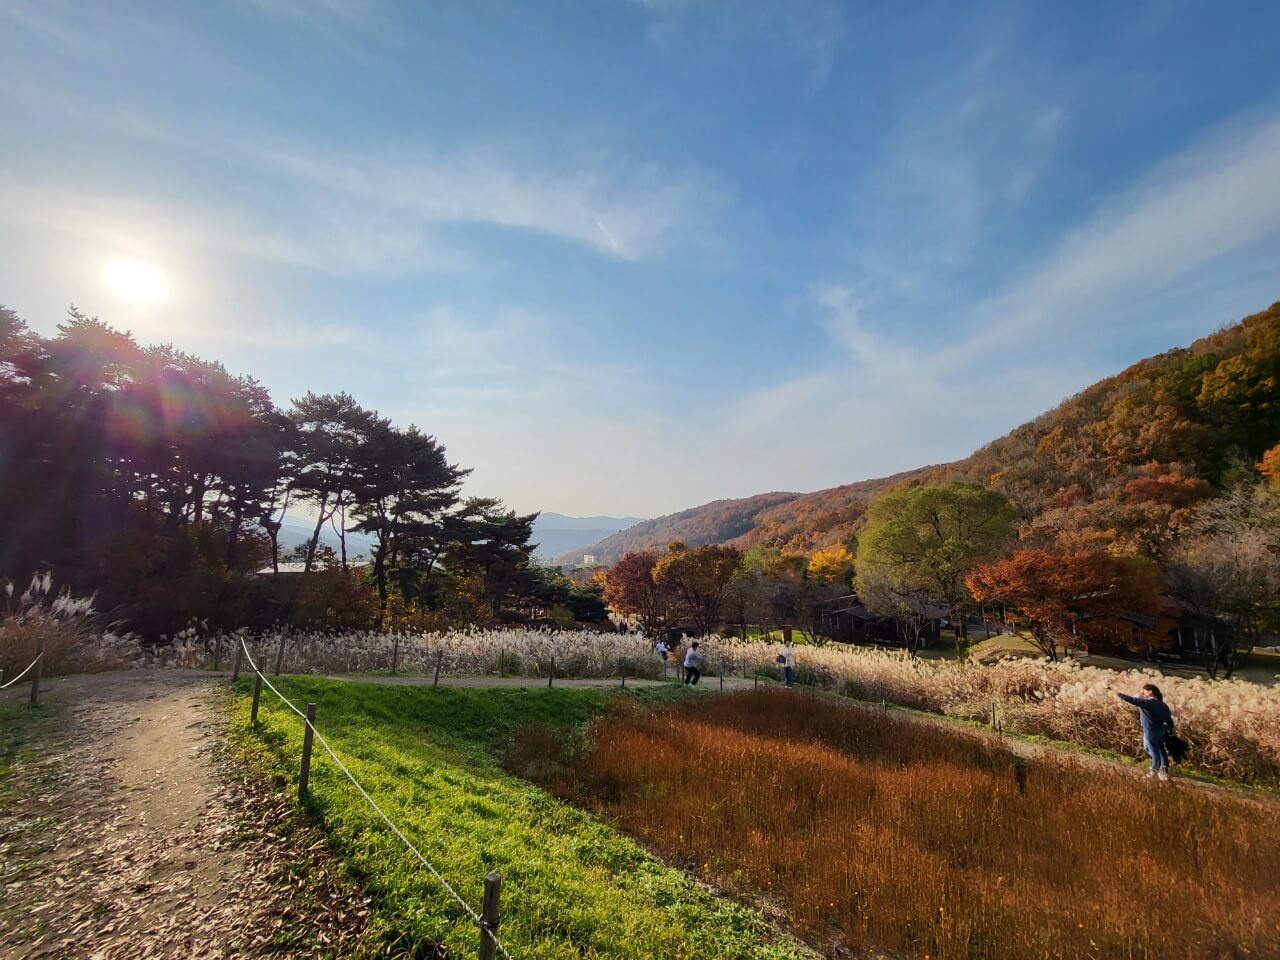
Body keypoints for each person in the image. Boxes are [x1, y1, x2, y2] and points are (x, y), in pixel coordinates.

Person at [1118, 683, 1175, 781]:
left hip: (1150, 732)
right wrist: (1170, 729)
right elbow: (1169, 720)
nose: (1142, 692)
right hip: (1161, 731)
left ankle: (1153, 772)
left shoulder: (1148, 703)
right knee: (1160, 750)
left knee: (1154, 752)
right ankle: (1163, 770)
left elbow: (1133, 700)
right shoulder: (1163, 705)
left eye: (1144, 690)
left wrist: (1118, 693)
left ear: (1150, 692)